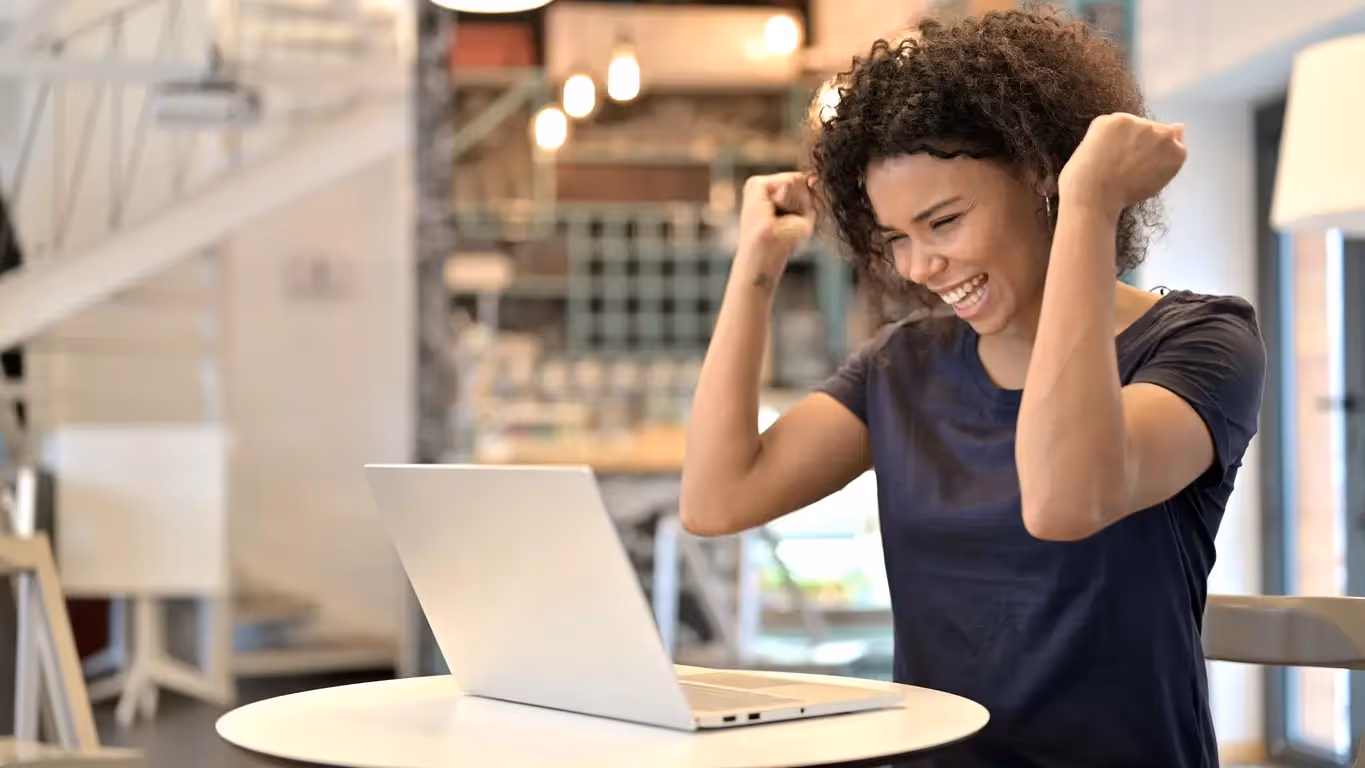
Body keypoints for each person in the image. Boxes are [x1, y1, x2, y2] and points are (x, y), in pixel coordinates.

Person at [680, 10, 1265, 768]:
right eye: (896, 238)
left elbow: (1064, 498)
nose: (918, 266)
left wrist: (1090, 202)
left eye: (943, 221)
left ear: (1038, 176)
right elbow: (716, 498)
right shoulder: (903, 367)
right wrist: (755, 263)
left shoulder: (1199, 343)